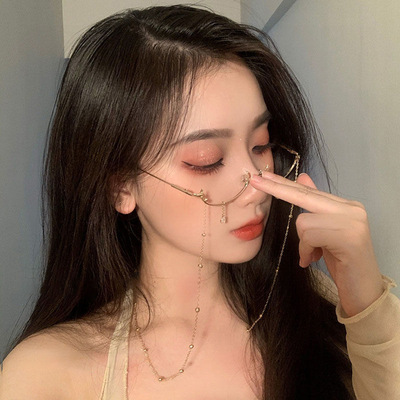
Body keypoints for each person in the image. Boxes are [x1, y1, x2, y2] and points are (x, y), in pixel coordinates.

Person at [1, 4, 399, 400]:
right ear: (121, 187)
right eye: (206, 160)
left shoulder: (319, 308)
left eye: (260, 145)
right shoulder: (46, 375)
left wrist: (366, 301)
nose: (257, 187)